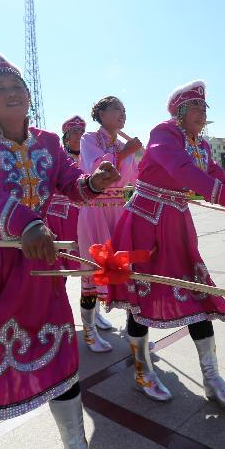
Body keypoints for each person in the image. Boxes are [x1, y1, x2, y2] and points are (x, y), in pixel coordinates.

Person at [0, 53, 120, 449]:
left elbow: (71, 185)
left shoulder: (49, 142)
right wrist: (29, 224)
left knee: (60, 350)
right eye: (0, 89)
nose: (12, 93)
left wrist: (96, 182)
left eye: (18, 87)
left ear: (29, 95)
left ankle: (75, 444)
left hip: (37, 262)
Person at [107, 80, 225, 404]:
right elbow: (183, 172)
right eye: (196, 107)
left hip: (177, 227)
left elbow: (217, 175)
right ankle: (142, 370)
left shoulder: (201, 145)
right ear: (180, 112)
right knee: (141, 299)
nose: (202, 112)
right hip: (146, 223)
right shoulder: (164, 134)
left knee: (198, 296)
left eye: (204, 107)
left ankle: (212, 379)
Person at [76, 97, 142, 352]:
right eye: (116, 109)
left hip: (119, 210)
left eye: (124, 110)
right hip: (95, 209)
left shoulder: (124, 143)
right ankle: (90, 332)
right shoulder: (89, 139)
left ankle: (130, 326)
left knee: (125, 270)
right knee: (92, 272)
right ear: (101, 114)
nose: (122, 113)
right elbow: (97, 169)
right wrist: (126, 153)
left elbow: (137, 177)